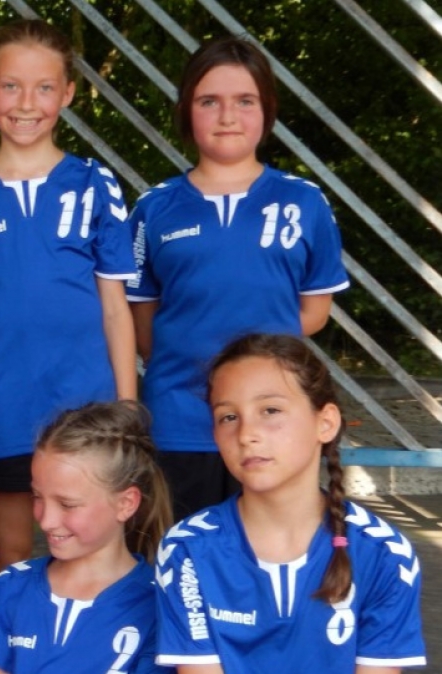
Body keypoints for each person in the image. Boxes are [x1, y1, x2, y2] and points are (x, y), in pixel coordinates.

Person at [0, 19, 136, 580]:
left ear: (67, 93)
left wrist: (128, 410)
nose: (26, 103)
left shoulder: (94, 184)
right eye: (11, 85)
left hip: (90, 410)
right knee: (9, 557)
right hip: (4, 413)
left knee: (96, 554)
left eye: (44, 87)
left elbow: (116, 309)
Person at [126, 36, 349, 521]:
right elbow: (142, 322)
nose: (227, 116)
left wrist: (253, 362)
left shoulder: (304, 202)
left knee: (271, 549)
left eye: (245, 101)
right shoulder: (154, 208)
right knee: (178, 549)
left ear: (267, 110)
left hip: (273, 422)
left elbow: (314, 312)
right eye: (209, 101)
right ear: (187, 110)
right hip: (180, 420)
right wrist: (192, 351)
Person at [154, 333, 426, 671]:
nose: (246, 434)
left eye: (270, 410)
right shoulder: (187, 549)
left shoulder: (385, 553)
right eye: (228, 417)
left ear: (325, 423)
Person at [0, 401, 173, 674]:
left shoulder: (159, 604)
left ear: (126, 503)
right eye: (37, 496)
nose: (45, 520)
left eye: (67, 504)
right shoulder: (11, 585)